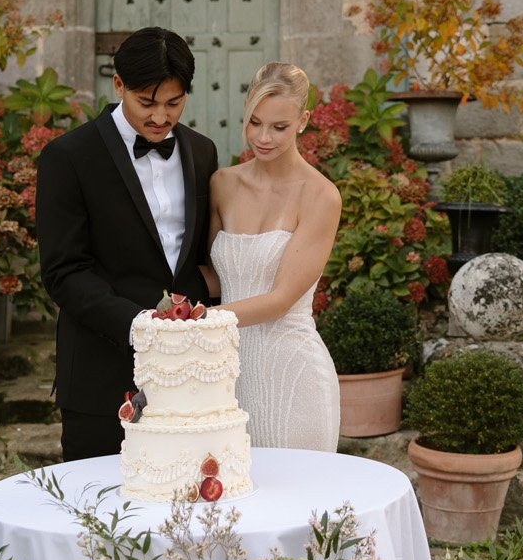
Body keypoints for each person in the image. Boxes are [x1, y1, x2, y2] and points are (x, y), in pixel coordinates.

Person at [36, 27, 219, 463]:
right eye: (147, 103)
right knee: (99, 517)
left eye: (174, 103)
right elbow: (63, 271)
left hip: (188, 377)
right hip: (101, 373)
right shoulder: (68, 156)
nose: (160, 116)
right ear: (118, 85)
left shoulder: (203, 152)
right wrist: (138, 325)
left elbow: (199, 259)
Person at [205, 62, 342, 451]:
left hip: (293, 375)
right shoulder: (223, 184)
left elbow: (281, 300)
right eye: (254, 122)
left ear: (303, 121)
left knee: (302, 507)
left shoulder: (320, 196)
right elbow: (216, 277)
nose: (263, 137)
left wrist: (196, 322)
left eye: (279, 127)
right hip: (226, 375)